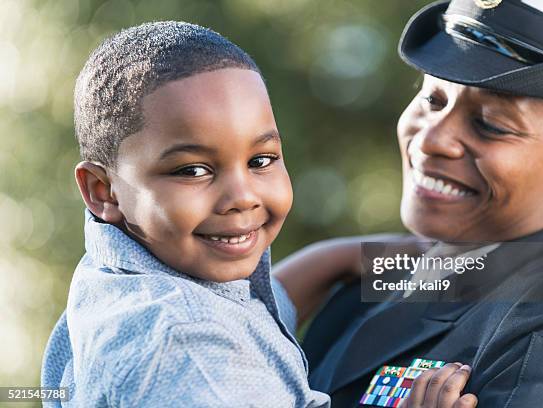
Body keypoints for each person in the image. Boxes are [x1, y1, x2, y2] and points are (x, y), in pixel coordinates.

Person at [274, 0, 543, 407]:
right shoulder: (382, 279)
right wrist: (327, 259)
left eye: (490, 125)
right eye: (433, 100)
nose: (430, 140)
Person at [39, 21, 332, 407]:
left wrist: (367, 261)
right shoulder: (186, 351)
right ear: (103, 191)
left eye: (261, 160)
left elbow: (251, 304)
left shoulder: (118, 276)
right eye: (192, 170)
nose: (242, 197)